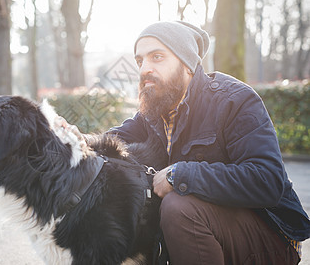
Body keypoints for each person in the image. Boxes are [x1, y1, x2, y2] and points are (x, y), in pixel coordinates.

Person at [107, 21, 310, 264]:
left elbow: (267, 180)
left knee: (177, 206)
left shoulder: (234, 100)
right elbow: (110, 142)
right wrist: (72, 139)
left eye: (157, 57)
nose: (144, 69)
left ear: (187, 64)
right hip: (206, 231)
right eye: (140, 61)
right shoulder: (153, 111)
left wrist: (179, 175)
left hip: (270, 236)